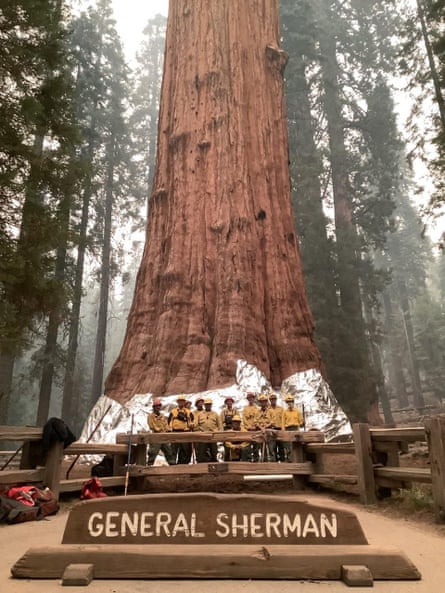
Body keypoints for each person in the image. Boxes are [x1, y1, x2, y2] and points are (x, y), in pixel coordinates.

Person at [147, 399, 176, 465]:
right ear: (153, 407)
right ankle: (149, 466)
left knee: (168, 451)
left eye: (159, 406)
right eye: (156, 406)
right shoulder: (150, 416)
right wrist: (159, 430)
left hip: (163, 437)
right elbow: (152, 426)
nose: (158, 407)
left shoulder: (162, 416)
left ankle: (172, 465)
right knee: (153, 452)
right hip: (156, 437)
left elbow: (165, 424)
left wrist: (168, 430)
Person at [168, 395, 193, 464]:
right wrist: (170, 430)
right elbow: (169, 421)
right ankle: (172, 465)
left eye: (182, 401)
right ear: (177, 402)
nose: (181, 402)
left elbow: (191, 421)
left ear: (184, 402)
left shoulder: (188, 412)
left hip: (185, 432)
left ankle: (182, 465)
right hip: (175, 432)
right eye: (180, 401)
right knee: (173, 450)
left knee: (184, 450)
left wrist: (190, 426)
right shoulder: (173, 411)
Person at [194, 398, 222, 462]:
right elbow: (196, 424)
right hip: (203, 436)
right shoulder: (200, 414)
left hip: (213, 436)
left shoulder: (215, 414)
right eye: (206, 404)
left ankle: (214, 466)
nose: (208, 406)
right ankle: (202, 467)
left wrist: (218, 434)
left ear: (211, 405)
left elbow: (219, 425)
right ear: (204, 405)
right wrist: (199, 432)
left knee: (214, 452)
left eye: (209, 404)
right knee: (201, 452)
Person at [282, 394, 304, 462]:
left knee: (296, 444)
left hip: (295, 429)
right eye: (288, 402)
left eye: (290, 401)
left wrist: (302, 423)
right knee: (288, 445)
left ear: (293, 402)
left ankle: (297, 459)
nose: (289, 403)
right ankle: (289, 460)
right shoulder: (285, 412)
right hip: (288, 429)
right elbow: (283, 422)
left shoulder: (297, 411)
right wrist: (283, 431)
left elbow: (301, 423)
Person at [254, 394, 273, 461]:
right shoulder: (257, 412)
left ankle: (273, 464)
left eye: (264, 401)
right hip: (261, 432)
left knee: (271, 448)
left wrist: (266, 427)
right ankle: (264, 462)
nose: (263, 403)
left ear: (266, 402)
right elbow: (255, 422)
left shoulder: (270, 411)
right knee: (262, 449)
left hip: (269, 432)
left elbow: (272, 421)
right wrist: (261, 427)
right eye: (261, 402)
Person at [220, 396, 240, 460]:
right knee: (227, 447)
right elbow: (221, 422)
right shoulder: (223, 412)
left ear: (232, 402)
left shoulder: (235, 411)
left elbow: (239, 420)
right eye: (227, 401)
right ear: (226, 403)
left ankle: (236, 461)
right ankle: (227, 461)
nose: (229, 402)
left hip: (235, 431)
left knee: (235, 446)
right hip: (226, 430)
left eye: (230, 401)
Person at [242, 392, 259, 462]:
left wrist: (254, 426)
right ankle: (248, 459)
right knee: (247, 445)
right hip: (248, 430)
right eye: (249, 398)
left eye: (251, 397)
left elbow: (258, 418)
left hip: (255, 429)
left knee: (256, 445)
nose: (250, 399)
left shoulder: (257, 409)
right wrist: (248, 427)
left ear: (254, 398)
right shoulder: (245, 409)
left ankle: (256, 459)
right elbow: (244, 419)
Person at [268, 393, 285, 462]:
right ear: (270, 400)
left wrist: (283, 428)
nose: (273, 400)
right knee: (272, 446)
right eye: (271, 399)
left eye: (274, 399)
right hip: (271, 429)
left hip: (280, 429)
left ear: (276, 400)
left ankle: (282, 460)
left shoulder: (281, 409)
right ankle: (273, 461)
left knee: (281, 445)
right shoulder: (268, 410)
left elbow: (283, 419)